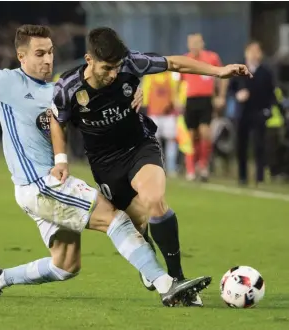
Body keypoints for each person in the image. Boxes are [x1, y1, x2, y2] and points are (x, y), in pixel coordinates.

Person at [0, 24, 211, 307]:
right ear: (21, 56)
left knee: (66, 266)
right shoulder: (5, 82)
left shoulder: (59, 91)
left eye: (50, 52)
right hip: (41, 185)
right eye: (39, 53)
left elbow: (103, 103)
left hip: (38, 190)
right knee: (116, 220)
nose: (48, 59)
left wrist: (136, 93)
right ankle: (166, 284)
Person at [50, 27, 251, 306]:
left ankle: (179, 279)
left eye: (116, 67)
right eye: (107, 68)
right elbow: (57, 122)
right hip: (105, 164)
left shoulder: (131, 63)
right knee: (140, 222)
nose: (113, 74)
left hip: (139, 146)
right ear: (89, 59)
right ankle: (149, 258)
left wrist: (219, 72)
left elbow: (175, 62)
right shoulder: (67, 87)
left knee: (155, 200)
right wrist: (61, 160)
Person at [174, 34, 228, 181]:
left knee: (205, 132)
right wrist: (177, 99)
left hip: (205, 100)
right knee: (191, 135)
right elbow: (178, 81)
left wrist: (221, 96)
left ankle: (203, 166)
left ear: (202, 43)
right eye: (191, 43)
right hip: (190, 100)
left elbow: (223, 76)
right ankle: (191, 168)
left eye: (197, 42)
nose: (194, 45)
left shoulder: (211, 57)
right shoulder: (185, 59)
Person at [229, 41, 276, 186]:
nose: (254, 54)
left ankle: (259, 177)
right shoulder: (238, 69)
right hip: (242, 112)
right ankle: (242, 177)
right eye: (251, 51)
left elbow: (272, 93)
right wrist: (237, 95)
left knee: (259, 145)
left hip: (258, 112)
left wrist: (268, 110)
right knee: (241, 145)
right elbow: (231, 89)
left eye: (257, 51)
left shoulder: (266, 72)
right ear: (246, 53)